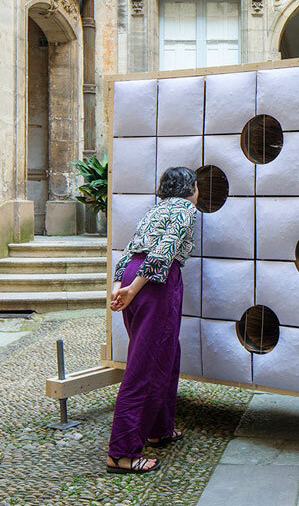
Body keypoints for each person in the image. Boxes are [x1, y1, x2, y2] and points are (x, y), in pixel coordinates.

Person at [106, 167, 199, 474]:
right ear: (191, 188)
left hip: (133, 275)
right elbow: (163, 252)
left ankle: (160, 429)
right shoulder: (185, 209)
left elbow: (130, 249)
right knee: (146, 364)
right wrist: (133, 289)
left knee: (166, 355)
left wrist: (119, 286)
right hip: (154, 282)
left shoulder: (155, 211)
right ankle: (122, 453)